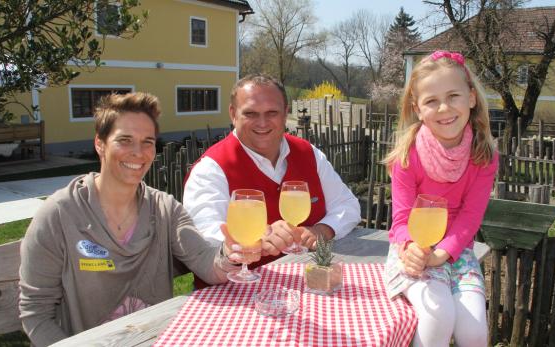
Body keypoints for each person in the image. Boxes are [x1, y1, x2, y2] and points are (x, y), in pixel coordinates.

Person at [18, 92, 247, 346]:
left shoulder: (165, 208)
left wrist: (229, 253)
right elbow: (35, 313)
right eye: (124, 140)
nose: (138, 152)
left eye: (147, 142)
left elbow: (206, 262)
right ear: (100, 144)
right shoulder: (59, 215)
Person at [183, 74, 360, 267]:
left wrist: (323, 229)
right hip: (236, 291)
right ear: (233, 114)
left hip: (308, 281)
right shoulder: (211, 169)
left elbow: (347, 205)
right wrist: (253, 240)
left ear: (285, 113)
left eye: (272, 113)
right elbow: (204, 236)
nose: (262, 123)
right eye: (250, 113)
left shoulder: (309, 153)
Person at [383, 51, 498, 347]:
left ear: (471, 98)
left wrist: (442, 254)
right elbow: (401, 219)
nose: (444, 108)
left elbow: (470, 217)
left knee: (474, 333)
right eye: (431, 100)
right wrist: (413, 249)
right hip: (412, 250)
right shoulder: (407, 156)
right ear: (418, 109)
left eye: (453, 96)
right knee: (439, 317)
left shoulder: (484, 157)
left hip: (456, 252)